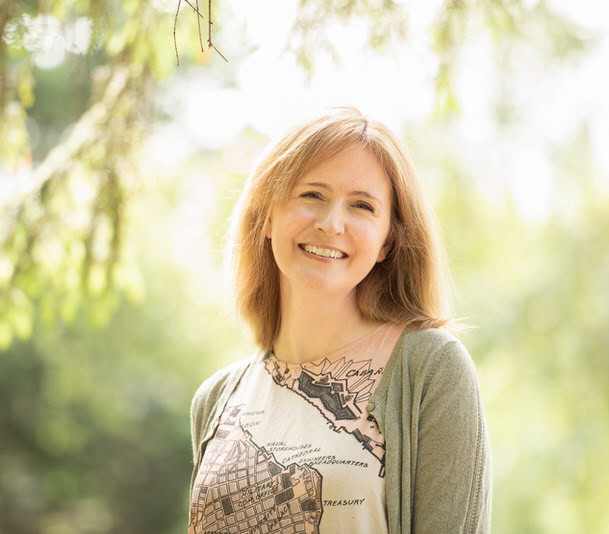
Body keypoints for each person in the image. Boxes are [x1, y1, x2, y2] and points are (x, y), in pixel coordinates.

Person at [187, 106, 492, 533]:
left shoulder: (430, 369)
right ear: (268, 215)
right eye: (312, 195)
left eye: (362, 206)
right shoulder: (216, 399)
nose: (331, 224)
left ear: (388, 241)